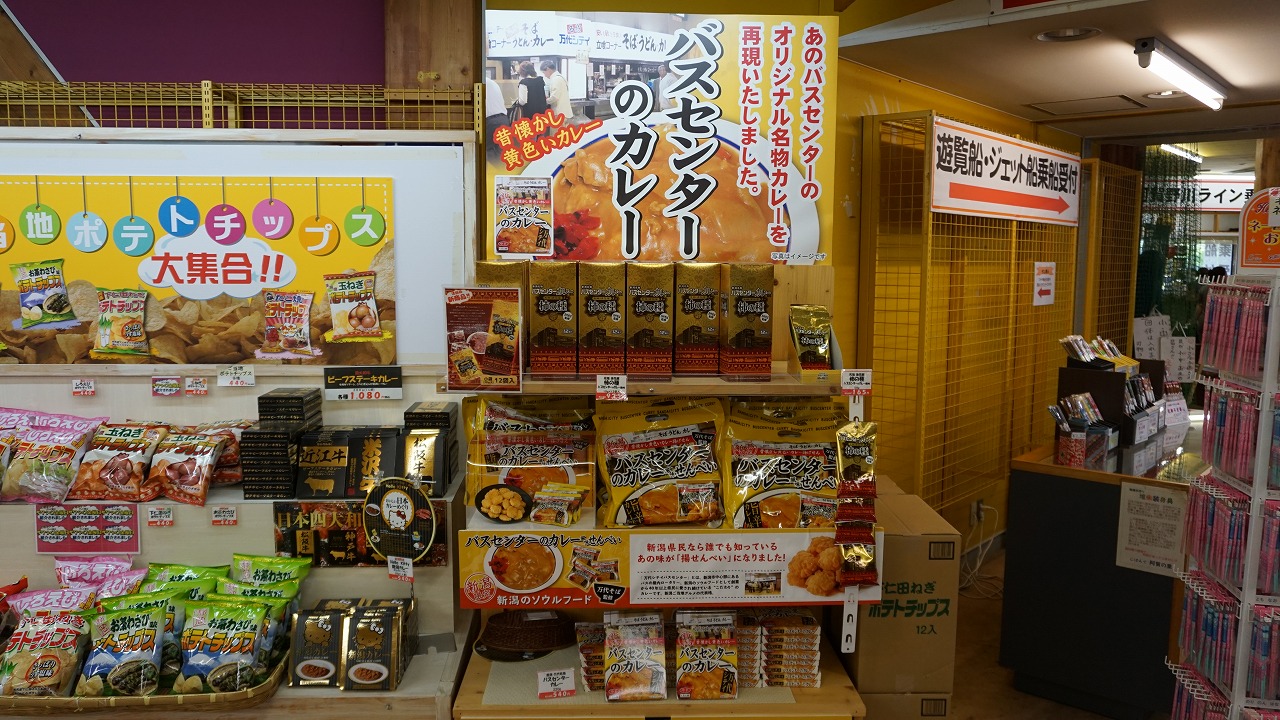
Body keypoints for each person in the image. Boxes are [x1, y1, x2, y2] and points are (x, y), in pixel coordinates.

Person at [484, 77, 508, 166]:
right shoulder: (492, 83)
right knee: (500, 152)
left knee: (485, 150)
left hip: (491, 122)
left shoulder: (480, 83)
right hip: (503, 120)